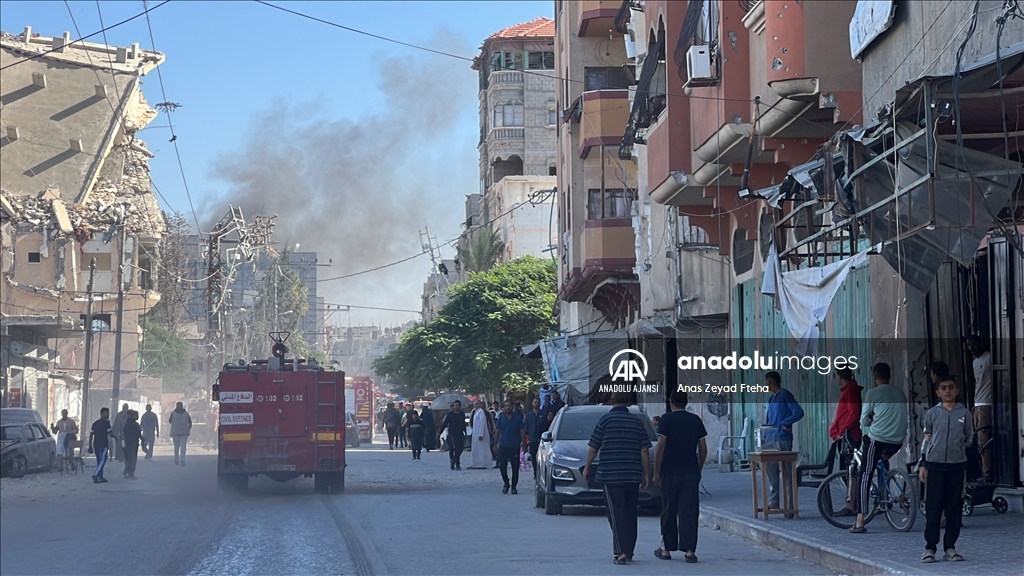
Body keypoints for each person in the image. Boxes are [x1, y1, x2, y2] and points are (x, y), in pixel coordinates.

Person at [584, 393, 650, 565]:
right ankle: (628, 550)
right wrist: (646, 473)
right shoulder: (637, 422)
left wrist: (587, 466)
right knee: (630, 512)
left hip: (610, 475)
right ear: (628, 403)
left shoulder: (605, 421)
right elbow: (644, 450)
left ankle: (621, 552)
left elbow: (593, 446)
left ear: (611, 402)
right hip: (632, 474)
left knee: (616, 513)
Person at [919, 375, 973, 563]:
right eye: (943, 388)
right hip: (934, 465)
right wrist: (923, 464)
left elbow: (969, 439)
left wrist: (957, 450)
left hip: (957, 466)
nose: (948, 390)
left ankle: (950, 547)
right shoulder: (932, 414)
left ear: (957, 390)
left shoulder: (964, 413)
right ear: (938, 392)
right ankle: (929, 548)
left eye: (951, 387)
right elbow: (926, 441)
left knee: (953, 508)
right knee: (933, 508)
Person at [849, 362, 908, 534]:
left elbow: (863, 419)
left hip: (879, 439)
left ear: (874, 377)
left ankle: (860, 520)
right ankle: (885, 498)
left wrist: (869, 422)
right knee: (882, 462)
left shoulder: (872, 393)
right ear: (889, 376)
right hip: (897, 441)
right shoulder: (900, 393)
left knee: (865, 474)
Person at [654, 391, 707, 563]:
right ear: (686, 403)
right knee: (689, 510)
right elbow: (703, 447)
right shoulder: (695, 420)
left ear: (671, 403)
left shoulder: (666, 419)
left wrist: (656, 472)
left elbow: (661, 447)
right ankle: (690, 551)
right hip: (690, 471)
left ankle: (666, 549)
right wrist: (699, 468)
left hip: (670, 471)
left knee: (668, 509)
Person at [764, 371, 804, 511]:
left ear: (770, 381)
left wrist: (785, 423)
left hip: (783, 438)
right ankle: (774, 501)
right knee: (771, 471)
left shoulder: (785, 395)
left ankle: (791, 504)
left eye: (766, 382)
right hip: (770, 439)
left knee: (788, 472)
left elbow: (798, 411)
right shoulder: (771, 399)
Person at [966, 336, 993, 483]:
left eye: (973, 344)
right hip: (978, 404)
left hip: (986, 404)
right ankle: (983, 472)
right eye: (969, 345)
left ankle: (987, 475)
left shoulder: (988, 358)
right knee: (978, 442)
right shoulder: (975, 361)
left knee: (984, 441)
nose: (971, 348)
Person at [829, 367, 863, 469]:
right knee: (846, 469)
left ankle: (855, 485)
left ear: (840, 377)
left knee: (848, 470)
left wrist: (842, 431)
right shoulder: (848, 390)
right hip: (846, 434)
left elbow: (854, 413)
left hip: (849, 435)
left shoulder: (850, 391)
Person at [494, 400, 526, 494]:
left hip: (515, 446)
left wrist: (524, 443)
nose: (508, 407)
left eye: (509, 406)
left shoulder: (518, 418)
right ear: (503, 407)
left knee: (515, 467)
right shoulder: (501, 418)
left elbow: (521, 431)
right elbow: (497, 431)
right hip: (504, 445)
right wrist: (495, 444)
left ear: (512, 407)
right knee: (502, 465)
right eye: (506, 406)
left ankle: (514, 486)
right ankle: (506, 483)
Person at [439, 401, 467, 470]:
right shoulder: (450, 414)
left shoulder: (462, 414)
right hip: (452, 433)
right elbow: (445, 423)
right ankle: (455, 463)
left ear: (460, 406)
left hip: (460, 433)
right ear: (453, 406)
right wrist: (440, 433)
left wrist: (465, 431)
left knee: (460, 449)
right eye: (455, 405)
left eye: (457, 405)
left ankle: (455, 459)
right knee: (452, 449)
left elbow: (463, 423)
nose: (456, 407)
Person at [88, 407, 113, 484]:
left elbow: (91, 435)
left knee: (99, 461)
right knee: (102, 461)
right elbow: (110, 433)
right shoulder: (106, 423)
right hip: (103, 445)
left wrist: (90, 445)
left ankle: (101, 477)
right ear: (102, 413)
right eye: (106, 413)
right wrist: (117, 438)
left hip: (96, 445)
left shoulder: (95, 423)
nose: (108, 414)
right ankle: (95, 475)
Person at [523, 398, 544, 478]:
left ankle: (541, 473)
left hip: (541, 440)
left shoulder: (543, 414)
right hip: (532, 440)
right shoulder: (529, 415)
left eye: (538, 402)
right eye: (535, 402)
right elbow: (526, 427)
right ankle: (535, 472)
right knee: (534, 457)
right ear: (532, 403)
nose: (536, 404)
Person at [469, 402, 491, 469]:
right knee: (476, 448)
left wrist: (481, 433)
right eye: (475, 404)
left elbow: (482, 423)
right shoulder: (476, 412)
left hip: (480, 433)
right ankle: (476, 463)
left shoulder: (481, 412)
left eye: (477, 404)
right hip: (475, 433)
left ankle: (482, 463)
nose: (475, 405)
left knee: (481, 449)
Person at [169, 402, 192, 466]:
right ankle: (182, 459)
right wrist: (188, 429)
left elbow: (170, 421)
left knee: (176, 447)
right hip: (184, 433)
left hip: (175, 432)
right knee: (183, 447)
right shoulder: (186, 414)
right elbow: (190, 423)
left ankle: (176, 459)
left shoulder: (173, 413)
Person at [122, 410, 142, 480]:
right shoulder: (135, 424)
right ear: (132, 416)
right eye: (136, 415)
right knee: (133, 459)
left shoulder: (125, 423)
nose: (138, 417)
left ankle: (127, 470)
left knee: (128, 458)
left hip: (126, 443)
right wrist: (143, 439)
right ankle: (131, 473)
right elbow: (138, 434)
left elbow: (122, 433)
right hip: (133, 444)